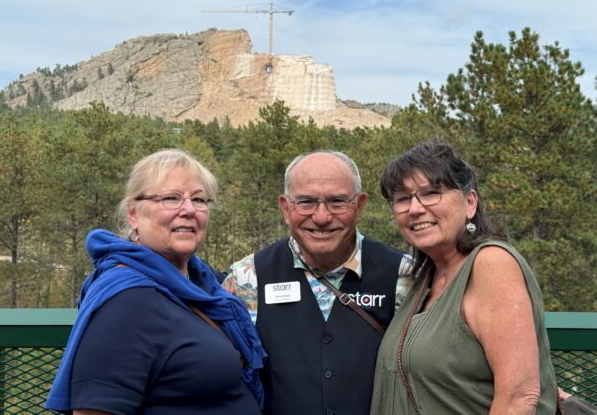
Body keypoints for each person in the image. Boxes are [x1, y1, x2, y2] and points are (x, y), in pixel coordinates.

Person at [46, 149, 265, 415]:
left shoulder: (202, 285)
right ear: (133, 214)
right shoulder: (127, 302)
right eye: (171, 198)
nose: (189, 210)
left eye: (198, 199)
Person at [370, 139, 558, 414]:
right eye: (403, 198)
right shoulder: (427, 277)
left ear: (470, 202)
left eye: (431, 193)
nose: (415, 208)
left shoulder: (491, 264)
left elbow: (519, 398)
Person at [223, 150, 412, 415]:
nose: (322, 217)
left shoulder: (403, 275)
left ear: (359, 206)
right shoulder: (247, 279)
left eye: (337, 202)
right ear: (285, 208)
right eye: (306, 202)